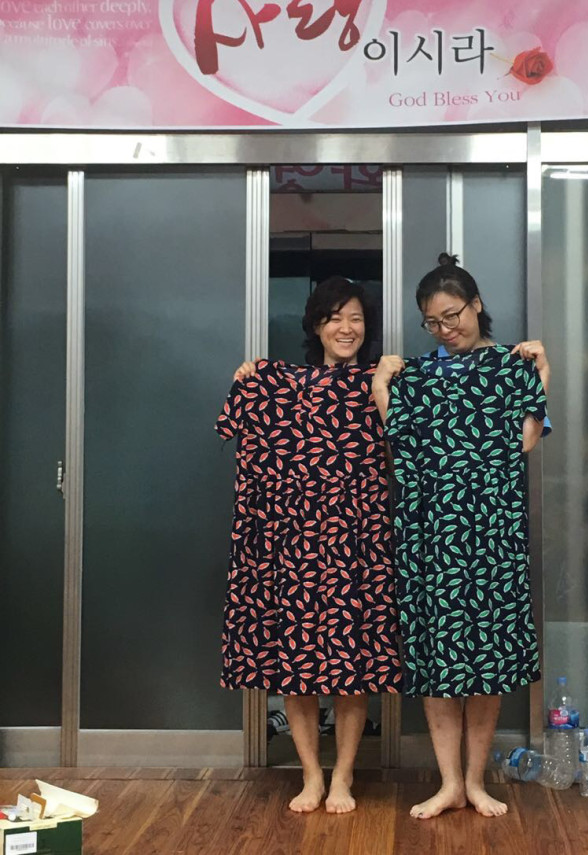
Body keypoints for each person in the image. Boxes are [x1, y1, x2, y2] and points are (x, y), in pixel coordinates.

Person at [372, 253, 550, 820]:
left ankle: (475, 782)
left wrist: (543, 374)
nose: (445, 329)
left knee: (488, 660)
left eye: (452, 316)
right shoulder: (417, 376)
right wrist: (380, 385)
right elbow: (398, 443)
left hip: (493, 533)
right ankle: (448, 782)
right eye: (433, 322)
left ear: (476, 305)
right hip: (429, 534)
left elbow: (524, 442)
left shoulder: (510, 366)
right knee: (436, 661)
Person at [217, 277, 403, 815]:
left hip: (356, 543)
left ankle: (344, 775)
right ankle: (312, 775)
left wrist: (389, 384)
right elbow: (229, 426)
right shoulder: (270, 384)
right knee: (294, 666)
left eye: (356, 319)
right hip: (291, 544)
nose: (346, 328)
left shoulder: (382, 383)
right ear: (316, 326)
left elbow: (413, 444)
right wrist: (248, 378)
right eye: (334, 318)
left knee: (352, 666)